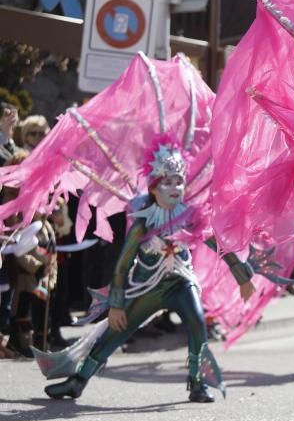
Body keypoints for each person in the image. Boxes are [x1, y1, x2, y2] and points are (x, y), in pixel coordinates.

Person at [41, 136, 256, 402]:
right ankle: (78, 380)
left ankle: (197, 383)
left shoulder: (189, 215)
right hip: (146, 287)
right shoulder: (143, 222)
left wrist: (242, 277)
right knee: (115, 333)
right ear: (154, 187)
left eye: (179, 180)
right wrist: (117, 305)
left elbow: (218, 243)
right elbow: (122, 265)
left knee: (197, 321)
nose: (175, 187)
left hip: (180, 282)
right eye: (167, 181)